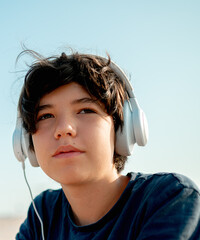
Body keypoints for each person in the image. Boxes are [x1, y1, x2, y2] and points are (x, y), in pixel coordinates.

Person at [12, 49, 200, 239]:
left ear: (123, 129)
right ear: (27, 141)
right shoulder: (43, 215)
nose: (63, 128)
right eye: (45, 116)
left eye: (85, 110)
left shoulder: (169, 199)